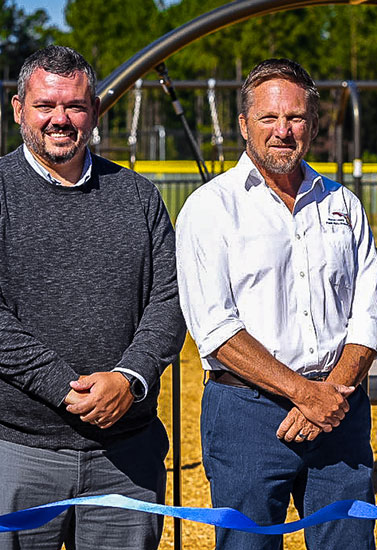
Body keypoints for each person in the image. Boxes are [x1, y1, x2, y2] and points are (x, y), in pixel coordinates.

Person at [175, 58, 377, 550]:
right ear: (244, 124)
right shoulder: (211, 208)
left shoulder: (343, 204)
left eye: (295, 118)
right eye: (269, 118)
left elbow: (367, 322)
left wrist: (327, 396)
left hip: (340, 411)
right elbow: (215, 331)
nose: (283, 131)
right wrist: (303, 395)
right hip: (248, 412)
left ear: (312, 124)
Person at [0, 45, 185, 550]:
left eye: (75, 106)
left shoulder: (138, 196)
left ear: (95, 112)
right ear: (19, 109)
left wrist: (130, 379)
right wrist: (66, 387)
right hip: (19, 451)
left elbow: (169, 301)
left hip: (126, 455)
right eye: (45, 105)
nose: (60, 119)